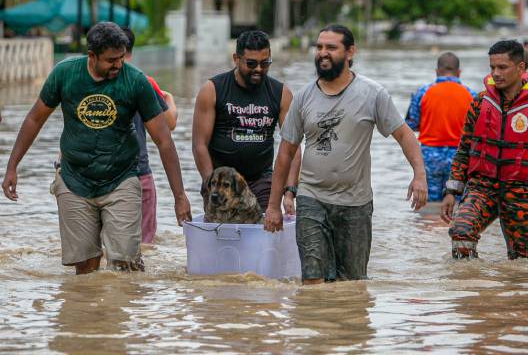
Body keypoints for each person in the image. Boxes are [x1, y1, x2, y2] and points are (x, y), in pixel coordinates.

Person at [1, 22, 192, 275]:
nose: (118, 65)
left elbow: (164, 140)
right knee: (86, 271)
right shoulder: (65, 74)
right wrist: (12, 167)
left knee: (127, 266)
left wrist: (179, 196)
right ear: (91, 56)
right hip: (74, 181)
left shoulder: (135, 81)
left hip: (121, 179)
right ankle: (90, 314)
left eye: (122, 58)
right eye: (111, 60)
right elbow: (35, 119)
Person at [264, 25, 428, 284]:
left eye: (331, 47)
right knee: (313, 281)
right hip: (311, 199)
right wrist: (274, 205)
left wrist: (419, 175)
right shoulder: (303, 97)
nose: (322, 53)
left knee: (351, 285)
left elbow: (405, 135)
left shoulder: (373, 94)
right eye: (319, 47)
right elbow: (285, 154)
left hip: (355, 204)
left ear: (350, 52)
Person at [441, 40, 528, 261]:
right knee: (461, 230)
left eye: (502, 67)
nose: (495, 74)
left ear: (520, 68)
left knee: (521, 263)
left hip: (522, 191)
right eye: (492, 68)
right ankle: (471, 289)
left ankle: (512, 293)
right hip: (482, 186)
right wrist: (452, 191)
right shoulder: (480, 102)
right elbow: (464, 150)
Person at [192, 30, 300, 215]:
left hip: (262, 180)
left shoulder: (281, 93)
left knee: (263, 237)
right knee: (223, 239)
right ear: (236, 58)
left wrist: (289, 192)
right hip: (221, 181)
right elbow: (199, 144)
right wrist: (211, 184)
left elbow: (293, 147)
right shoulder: (212, 90)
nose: (258, 69)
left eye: (265, 63)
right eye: (251, 63)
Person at [122, 27, 178, 244]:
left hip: (101, 177)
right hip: (139, 172)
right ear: (131, 52)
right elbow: (170, 123)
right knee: (144, 246)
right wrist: (170, 98)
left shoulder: (91, 81)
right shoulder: (144, 81)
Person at [406, 52, 476, 201]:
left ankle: (426, 225)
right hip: (460, 157)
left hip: (430, 156)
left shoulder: (422, 92)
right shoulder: (472, 95)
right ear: (459, 72)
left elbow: (410, 124)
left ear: (437, 71)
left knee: (427, 203)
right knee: (456, 203)